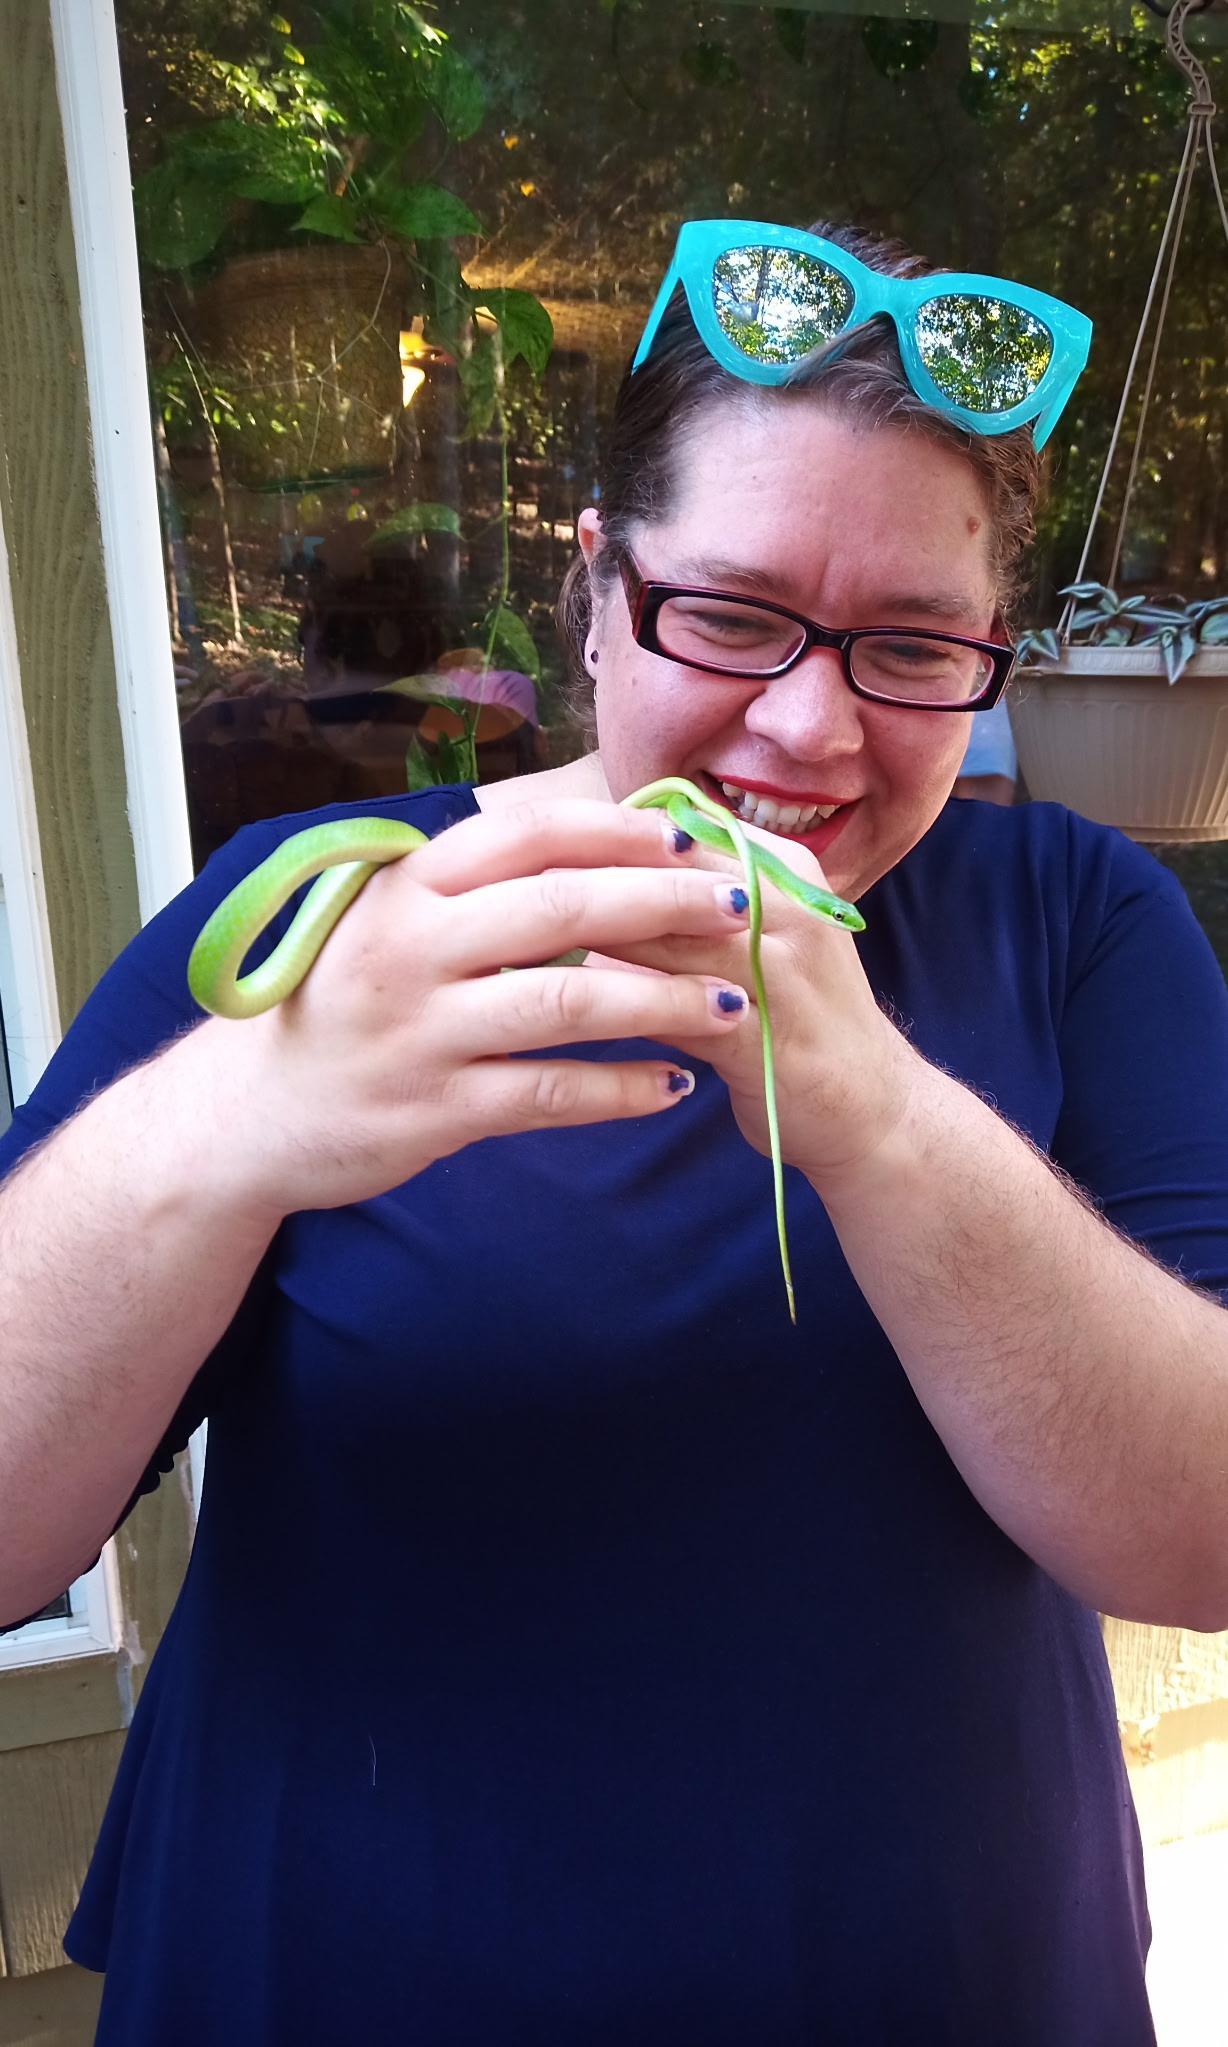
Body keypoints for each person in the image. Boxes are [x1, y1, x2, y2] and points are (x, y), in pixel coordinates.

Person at [2, 219, 1226, 2046]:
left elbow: (1199, 1542)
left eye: (909, 646)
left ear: (992, 652)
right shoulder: (314, 915)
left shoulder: (1077, 921)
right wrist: (248, 1113)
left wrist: (881, 1114)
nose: (809, 728)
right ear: (595, 587)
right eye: (729, 616)